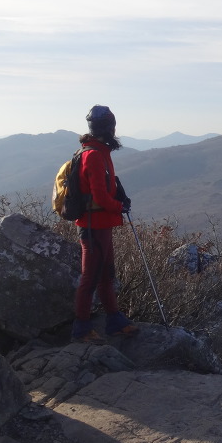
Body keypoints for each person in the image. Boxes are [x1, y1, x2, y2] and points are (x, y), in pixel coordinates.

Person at [71, 104, 139, 343]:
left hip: (99, 225)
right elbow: (99, 197)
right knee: (90, 277)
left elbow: (101, 191)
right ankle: (81, 329)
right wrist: (119, 206)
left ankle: (114, 320)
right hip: (94, 226)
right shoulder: (94, 155)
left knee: (106, 274)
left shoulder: (96, 152)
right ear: (109, 128)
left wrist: (117, 199)